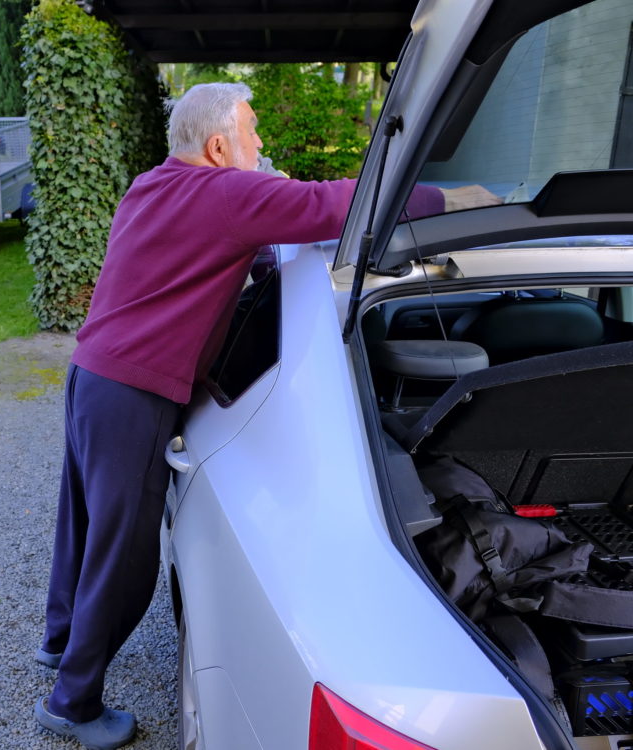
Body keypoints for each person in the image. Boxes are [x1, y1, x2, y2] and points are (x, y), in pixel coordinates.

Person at [33, 82, 498, 750]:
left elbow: (192, 253)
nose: (261, 145)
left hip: (91, 375)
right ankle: (72, 702)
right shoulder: (227, 195)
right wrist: (450, 200)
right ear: (219, 145)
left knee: (81, 524)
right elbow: (335, 206)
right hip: (135, 392)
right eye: (252, 132)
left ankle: (58, 642)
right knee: (124, 555)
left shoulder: (154, 185)